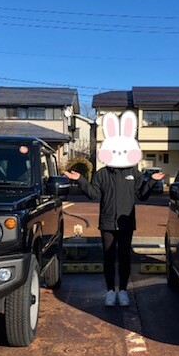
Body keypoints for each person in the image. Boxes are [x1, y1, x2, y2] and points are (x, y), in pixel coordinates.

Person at [64, 111, 165, 307]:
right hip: (107, 223)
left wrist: (151, 181)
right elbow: (93, 194)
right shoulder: (102, 174)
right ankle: (110, 291)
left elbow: (142, 195)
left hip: (126, 223)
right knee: (109, 257)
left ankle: (123, 291)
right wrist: (80, 180)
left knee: (125, 257)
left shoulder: (134, 173)